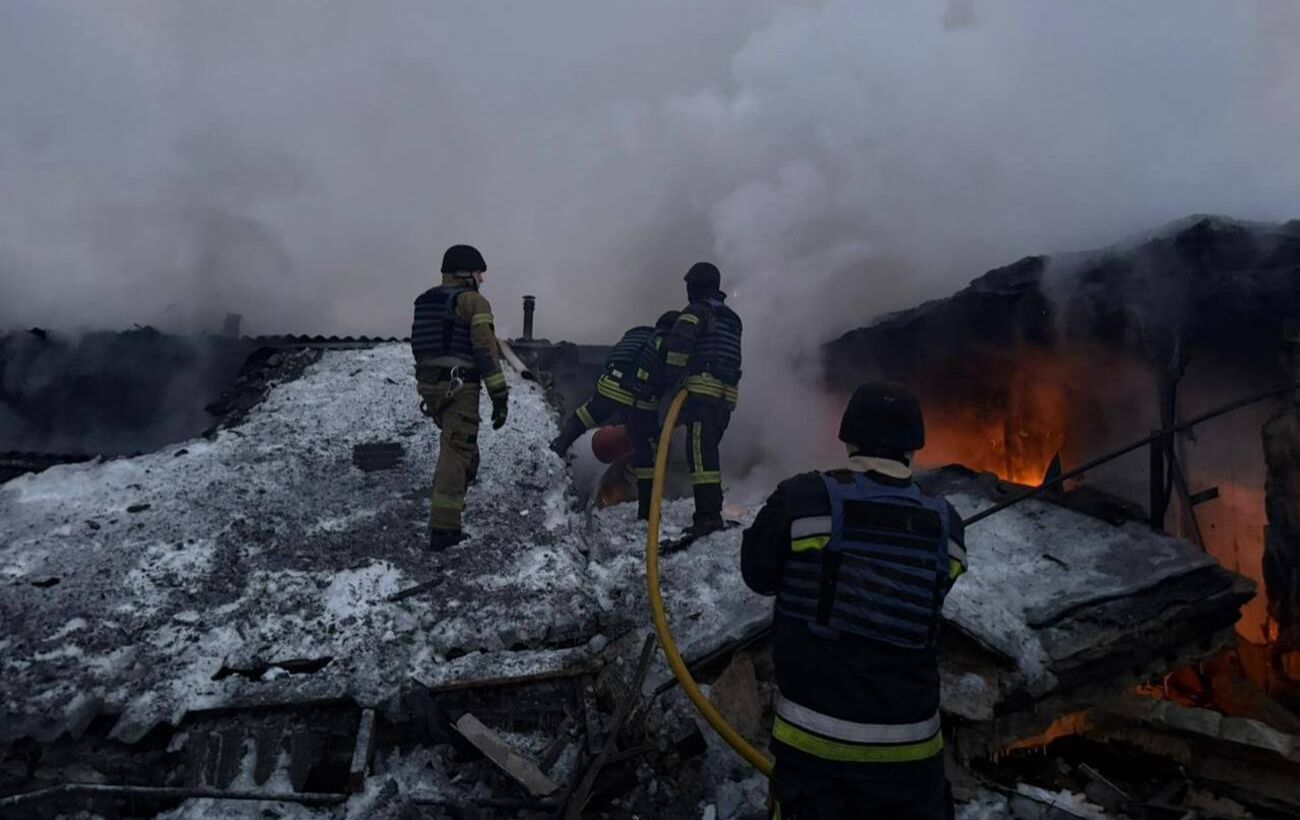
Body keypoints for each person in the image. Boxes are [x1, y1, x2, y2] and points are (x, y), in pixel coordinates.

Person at [740, 382, 969, 820]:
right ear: (914, 447)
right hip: (913, 760)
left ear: (848, 439)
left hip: (816, 756)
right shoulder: (947, 525)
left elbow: (757, 575)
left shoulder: (804, 500)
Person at [410, 244, 509, 552]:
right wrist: (500, 395)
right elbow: (484, 350)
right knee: (455, 454)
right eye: (479, 273)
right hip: (459, 387)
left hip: (430, 386)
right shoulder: (473, 302)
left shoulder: (426, 300)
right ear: (465, 273)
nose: (482, 279)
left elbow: (421, 346)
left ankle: (450, 504)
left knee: (462, 449)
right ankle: (444, 530)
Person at [550, 311, 679, 519]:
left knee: (582, 418)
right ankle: (646, 513)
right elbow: (670, 377)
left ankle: (556, 449)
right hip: (637, 400)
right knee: (645, 456)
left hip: (608, 386)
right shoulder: (665, 343)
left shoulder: (636, 336)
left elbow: (612, 357)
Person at [662, 262, 742, 537]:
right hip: (725, 398)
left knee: (699, 457)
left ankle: (708, 517)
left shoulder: (696, 311)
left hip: (701, 394)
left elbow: (679, 346)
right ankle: (712, 511)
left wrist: (674, 382)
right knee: (708, 454)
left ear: (695, 286)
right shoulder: (732, 319)